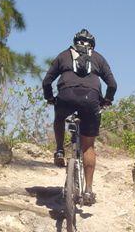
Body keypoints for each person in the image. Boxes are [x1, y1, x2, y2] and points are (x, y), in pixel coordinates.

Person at [42, 28, 117, 205]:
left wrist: (50, 98)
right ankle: (89, 190)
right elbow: (112, 84)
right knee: (88, 146)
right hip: (90, 99)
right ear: (92, 45)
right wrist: (106, 100)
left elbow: (46, 81)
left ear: (75, 42)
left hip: (65, 96)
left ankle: (60, 149)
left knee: (59, 118)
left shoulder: (63, 55)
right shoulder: (98, 58)